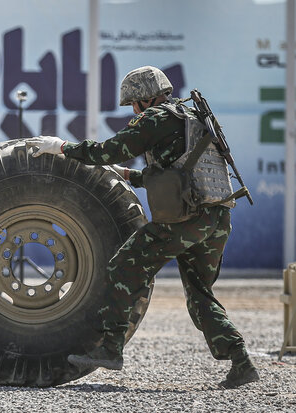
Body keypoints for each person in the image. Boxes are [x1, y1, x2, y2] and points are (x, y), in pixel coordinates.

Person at [26, 66, 259, 389]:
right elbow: (176, 174)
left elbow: (107, 150)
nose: (133, 111)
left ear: (145, 100)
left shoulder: (155, 119)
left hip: (186, 219)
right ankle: (240, 359)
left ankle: (110, 347)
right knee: (199, 292)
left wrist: (62, 147)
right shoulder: (190, 116)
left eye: (134, 104)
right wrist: (126, 175)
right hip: (217, 218)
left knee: (123, 266)